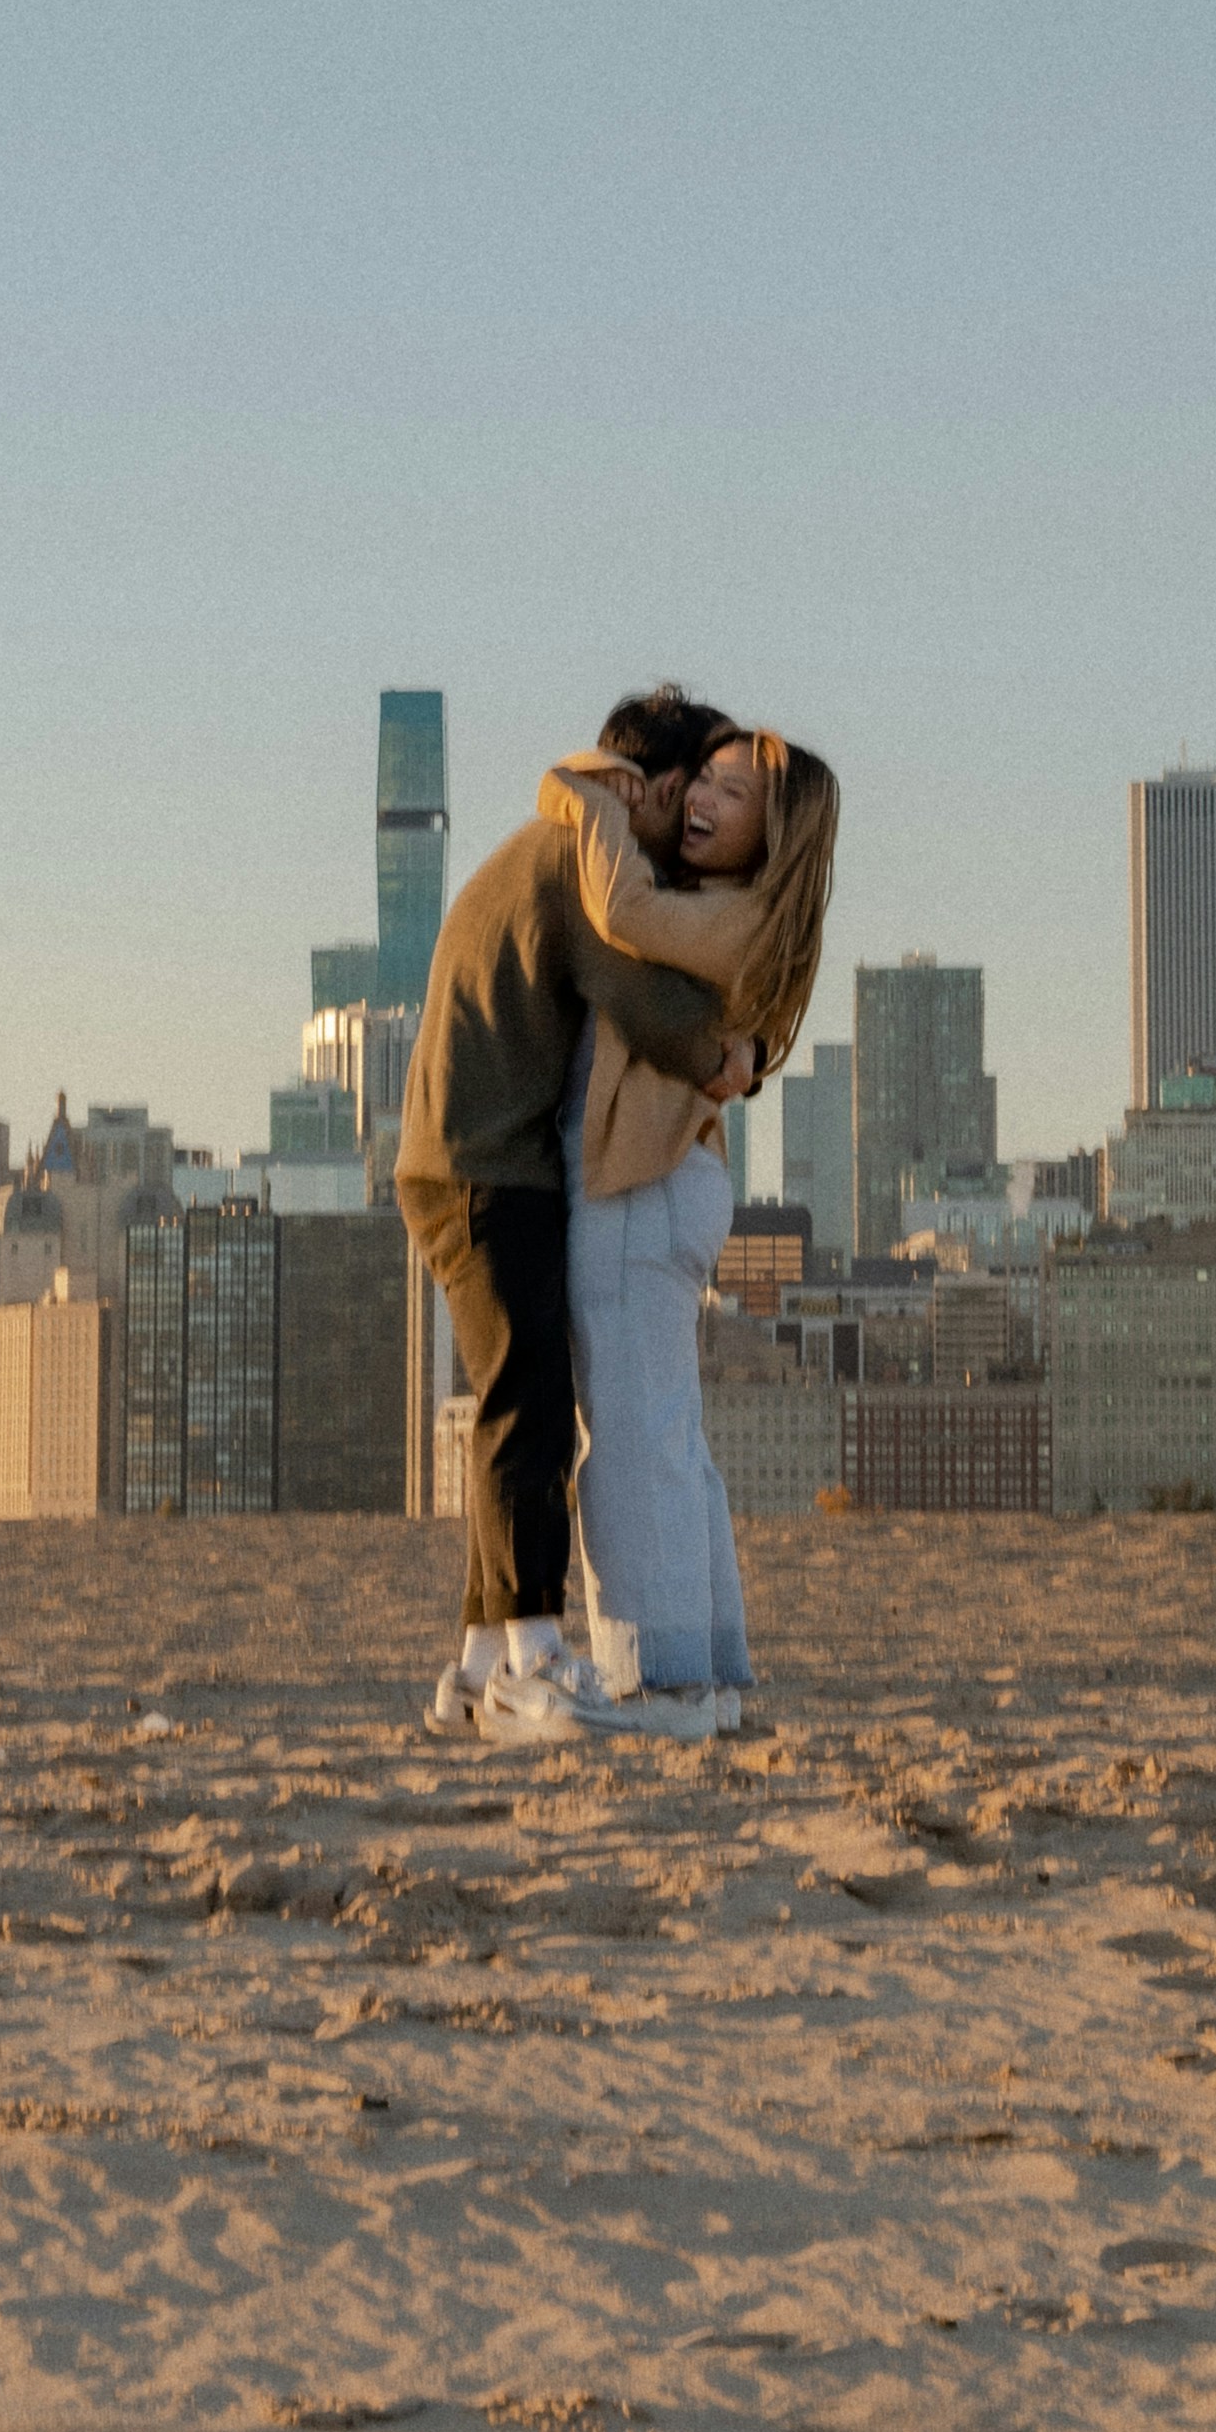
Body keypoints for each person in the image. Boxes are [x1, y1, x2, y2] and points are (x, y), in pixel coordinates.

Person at [394, 688, 755, 1741]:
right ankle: (538, 1655)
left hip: (468, 1160)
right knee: (529, 1411)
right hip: (483, 1167)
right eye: (689, 796)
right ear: (642, 785)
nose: (687, 829)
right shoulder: (582, 853)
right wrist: (728, 1053)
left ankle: (472, 1667)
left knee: (521, 1400)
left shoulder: (557, 836)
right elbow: (635, 984)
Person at [534, 723, 841, 1739]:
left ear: (779, 831)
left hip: (638, 1184)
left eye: (734, 793)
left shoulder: (733, 914)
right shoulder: (727, 912)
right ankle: (707, 1675)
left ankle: (659, 1684)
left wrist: (587, 795)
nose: (703, 799)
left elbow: (616, 905)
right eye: (702, 778)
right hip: (666, 1186)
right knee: (666, 1435)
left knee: (628, 1440)